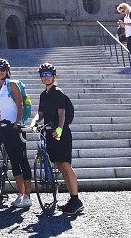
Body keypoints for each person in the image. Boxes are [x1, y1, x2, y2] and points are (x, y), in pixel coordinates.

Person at [30, 63, 82, 215]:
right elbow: (40, 113)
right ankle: (72, 201)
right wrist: (34, 123)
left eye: (49, 75)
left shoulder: (58, 92)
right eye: (43, 75)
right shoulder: (43, 95)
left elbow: (62, 114)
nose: (46, 78)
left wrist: (59, 129)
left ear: (54, 76)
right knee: (59, 165)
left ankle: (76, 199)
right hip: (49, 133)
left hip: (61, 133)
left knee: (65, 165)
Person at [0, 59, 32, 208]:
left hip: (16, 126)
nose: (0, 71)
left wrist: (18, 121)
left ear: (7, 70)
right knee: (13, 161)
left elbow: (19, 105)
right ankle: (20, 194)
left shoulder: (12, 84)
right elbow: (1, 108)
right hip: (4, 127)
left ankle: (27, 195)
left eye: (2, 69)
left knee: (22, 159)